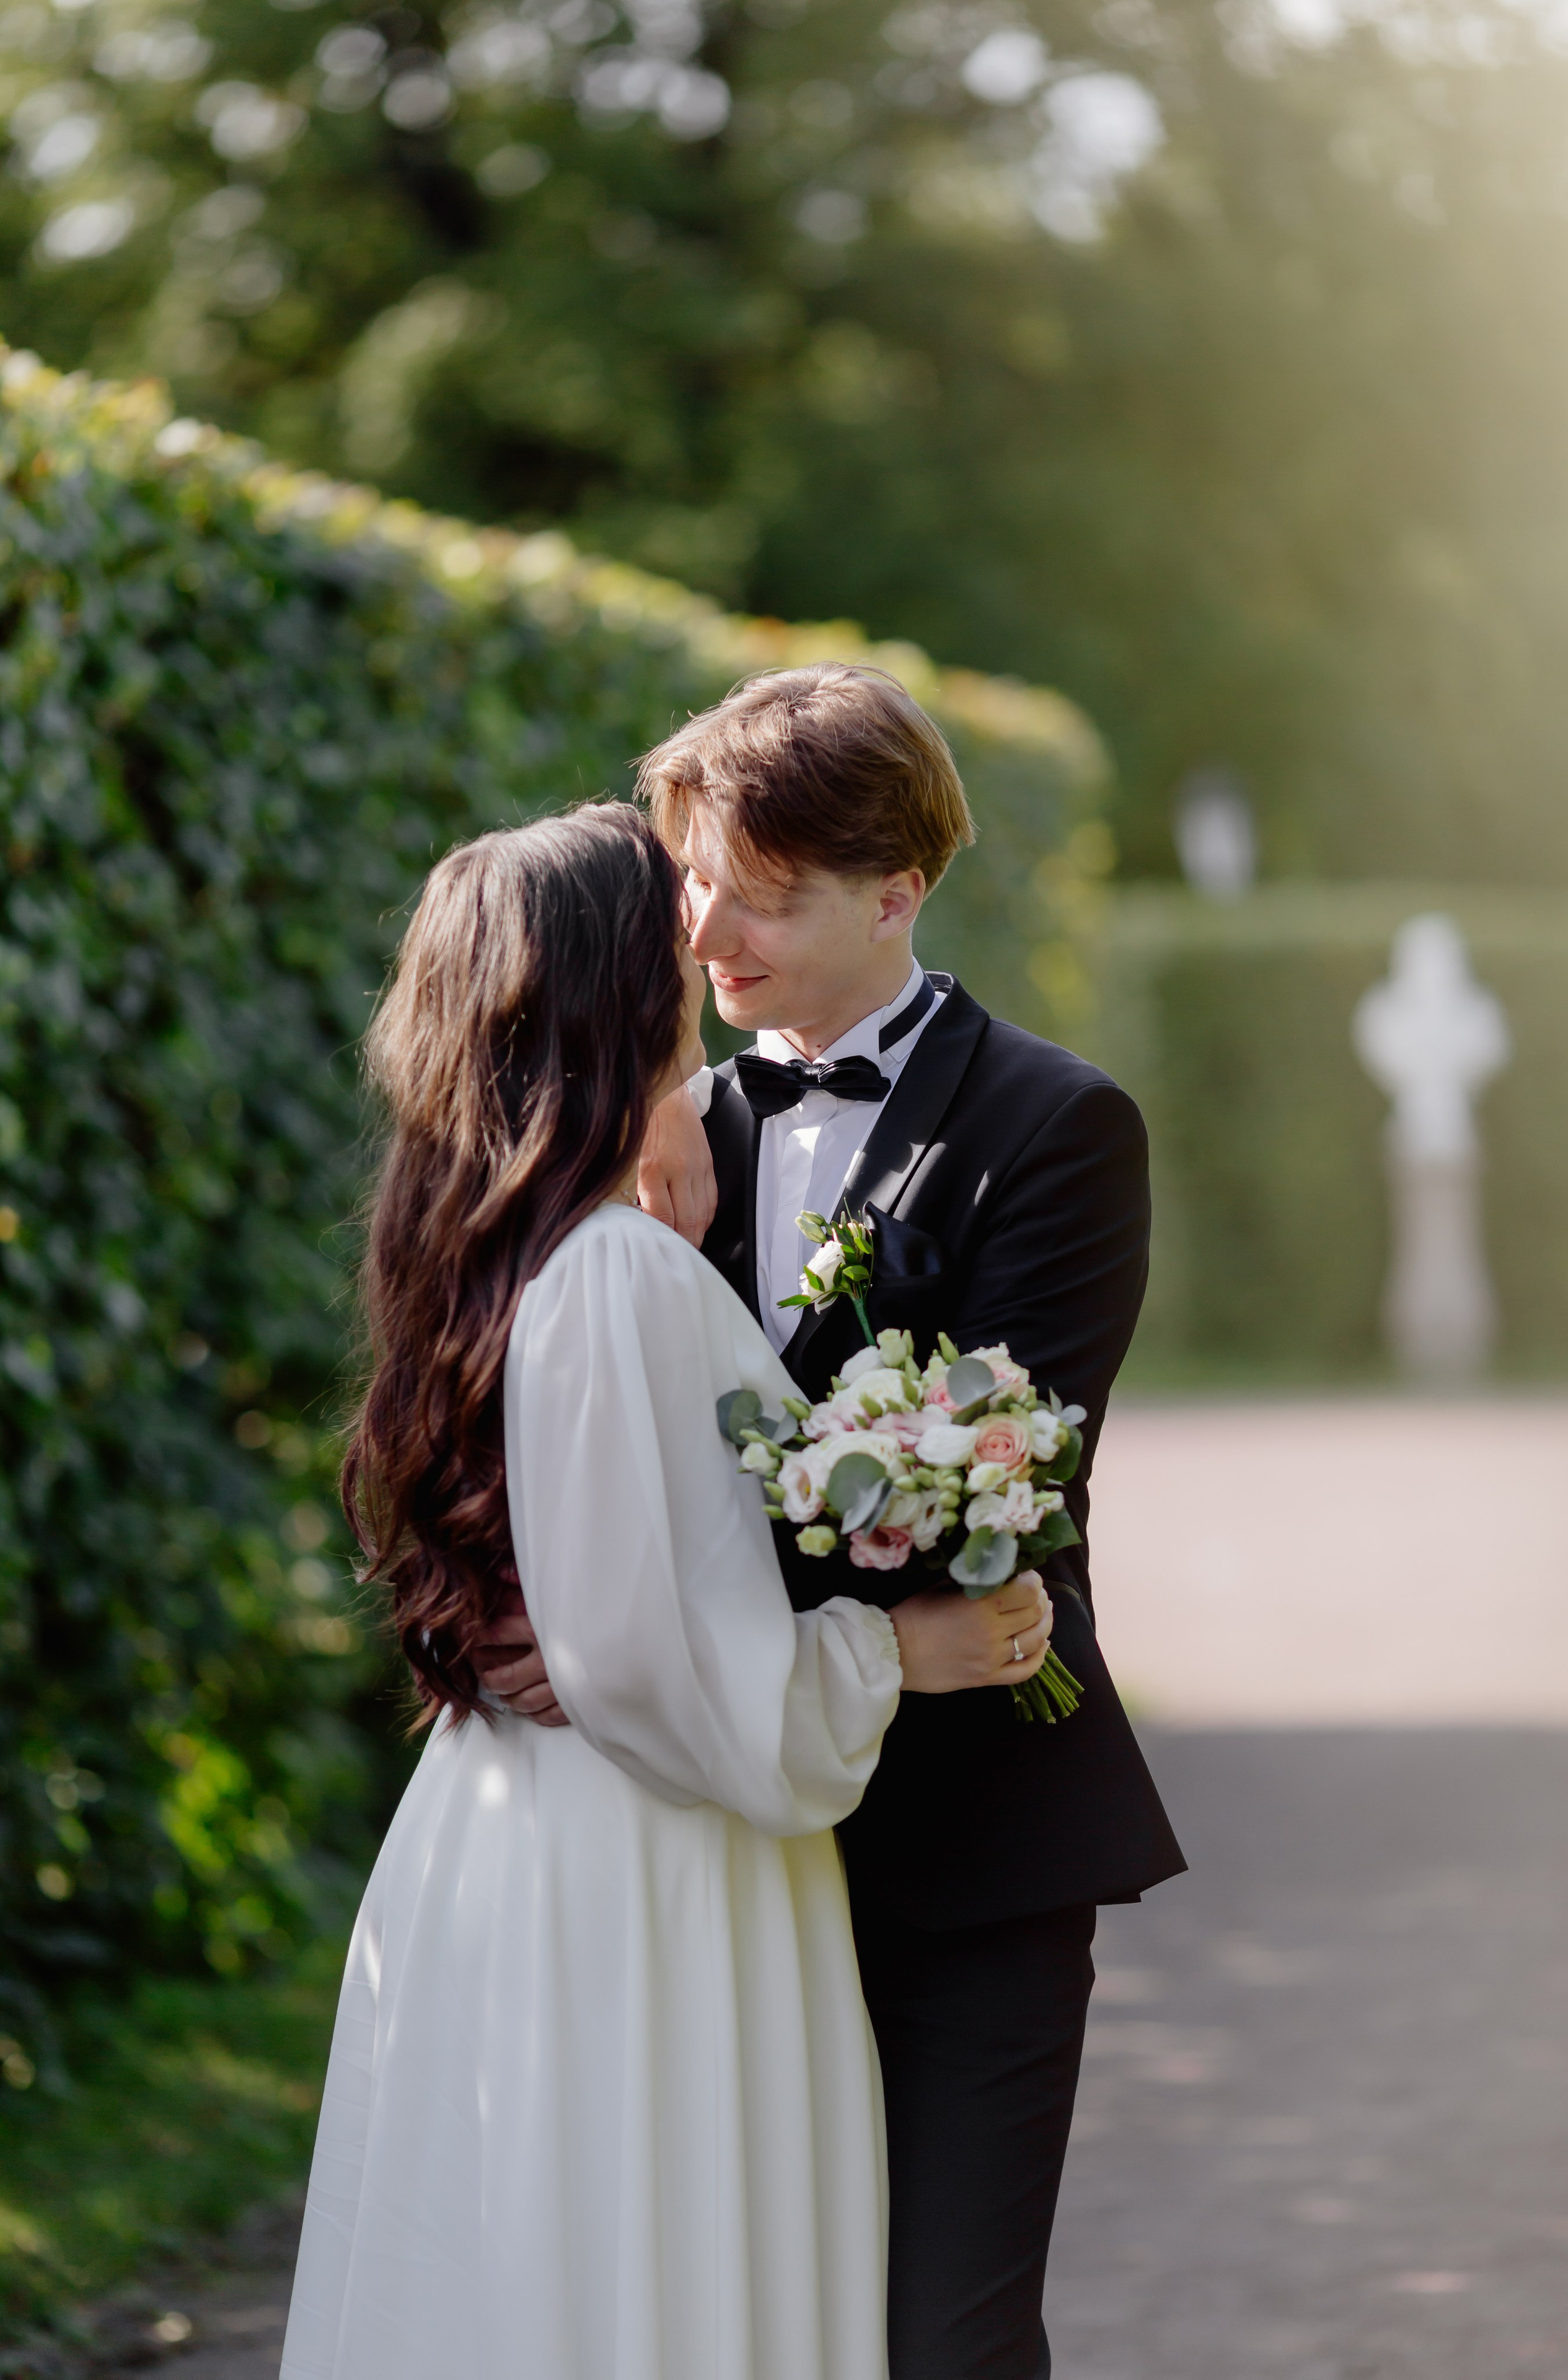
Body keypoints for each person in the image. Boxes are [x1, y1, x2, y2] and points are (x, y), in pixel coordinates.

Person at [280, 803, 1054, 2380]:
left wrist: (663, 1125)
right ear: (617, 994)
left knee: (524, 2278)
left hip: (498, 1832)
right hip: (651, 1860)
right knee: (658, 2272)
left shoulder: (481, 1247)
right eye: (670, 928)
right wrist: (896, 1652)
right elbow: (652, 1663)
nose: (703, 944)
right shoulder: (621, 1274)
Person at [477, 669, 1187, 2380]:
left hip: (969, 1837)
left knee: (945, 2336)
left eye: (765, 894)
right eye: (692, 883)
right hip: (715, 1856)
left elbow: (998, 1482)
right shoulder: (651, 1138)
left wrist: (671, 1610)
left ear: (896, 892)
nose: (705, 934)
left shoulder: (1056, 1127)